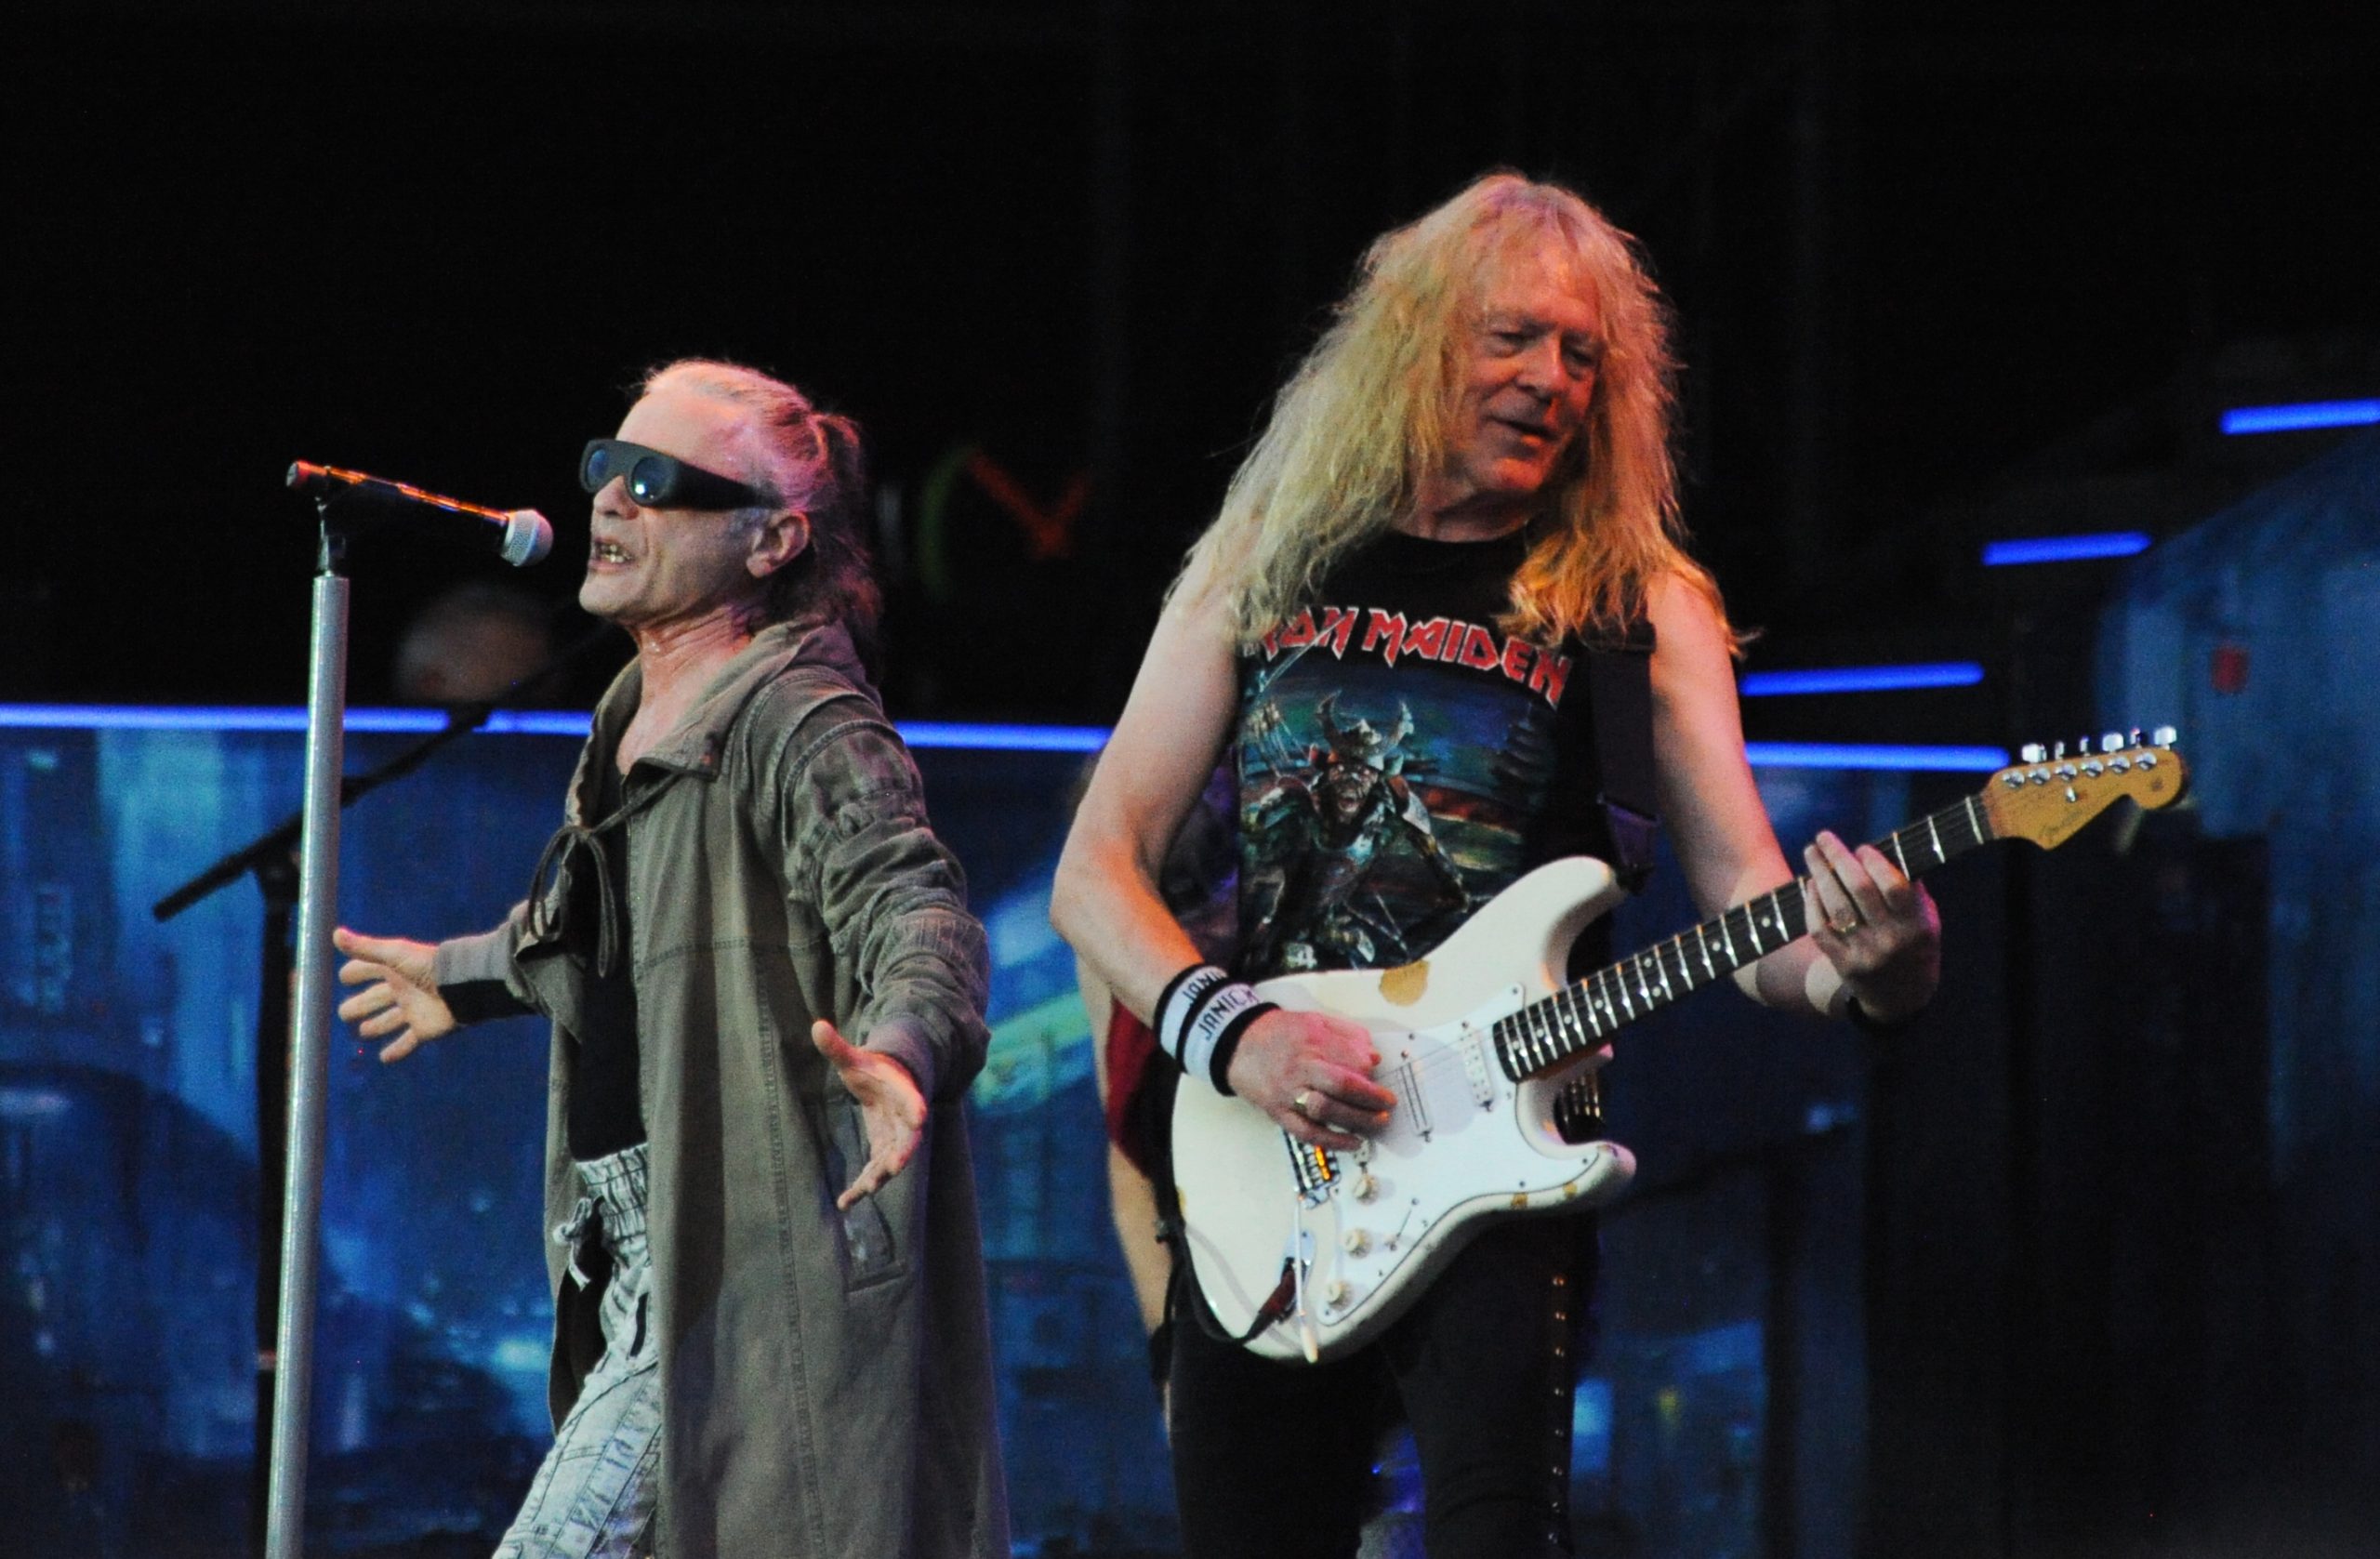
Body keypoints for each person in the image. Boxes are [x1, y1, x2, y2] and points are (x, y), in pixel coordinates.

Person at [1050, 172, 1941, 1558]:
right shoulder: (1265, 559)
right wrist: (1239, 1039)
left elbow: (1755, 914)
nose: (1552, 381)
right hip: (1269, 1153)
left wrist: (1875, 970)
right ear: (1415, 345)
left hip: (1499, 1174)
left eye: (1585, 355)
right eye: (1512, 338)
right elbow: (1095, 868)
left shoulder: (1638, 605)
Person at [333, 359, 1010, 1559]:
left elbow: (911, 901)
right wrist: (463, 974)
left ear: (772, 540)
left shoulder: (800, 714)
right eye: (607, 463)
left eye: (660, 480)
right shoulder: (634, 704)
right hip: (640, 1253)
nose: (611, 499)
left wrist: (907, 1048)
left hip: (744, 1254)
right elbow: (608, 932)